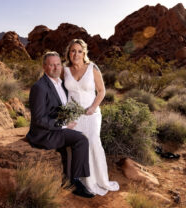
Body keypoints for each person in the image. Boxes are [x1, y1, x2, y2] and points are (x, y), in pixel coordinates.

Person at [26, 51, 94, 198]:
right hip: (45, 133)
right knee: (81, 140)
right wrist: (63, 125)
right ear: (45, 67)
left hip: (57, 126)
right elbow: (39, 119)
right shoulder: (39, 87)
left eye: (58, 64)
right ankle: (75, 182)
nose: (56, 68)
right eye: (51, 65)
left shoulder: (61, 84)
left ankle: (77, 176)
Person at [63, 39, 119, 196]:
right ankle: (79, 181)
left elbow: (101, 91)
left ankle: (98, 180)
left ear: (84, 53)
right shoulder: (65, 70)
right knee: (77, 145)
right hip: (73, 114)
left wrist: (93, 107)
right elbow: (59, 91)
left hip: (91, 113)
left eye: (79, 51)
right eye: (73, 51)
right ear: (69, 53)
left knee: (93, 141)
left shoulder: (92, 68)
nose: (76, 54)